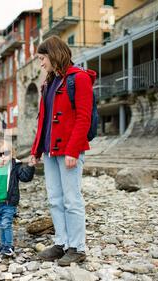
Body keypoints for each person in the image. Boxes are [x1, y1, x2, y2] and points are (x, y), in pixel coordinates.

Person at [30, 36, 96, 266]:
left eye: (42, 58)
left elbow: (83, 118)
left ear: (53, 54)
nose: (41, 64)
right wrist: (36, 150)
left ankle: (77, 247)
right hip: (50, 151)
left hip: (69, 151)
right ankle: (61, 243)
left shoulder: (79, 79)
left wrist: (73, 150)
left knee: (72, 200)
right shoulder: (49, 83)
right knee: (55, 200)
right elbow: (44, 121)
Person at [0, 139, 35, 257]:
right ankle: (3, 244)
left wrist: (30, 166)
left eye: (6, 153)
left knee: (6, 224)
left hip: (9, 203)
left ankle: (9, 246)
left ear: (12, 154)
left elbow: (25, 177)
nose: (3, 157)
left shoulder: (14, 168)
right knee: (0, 225)